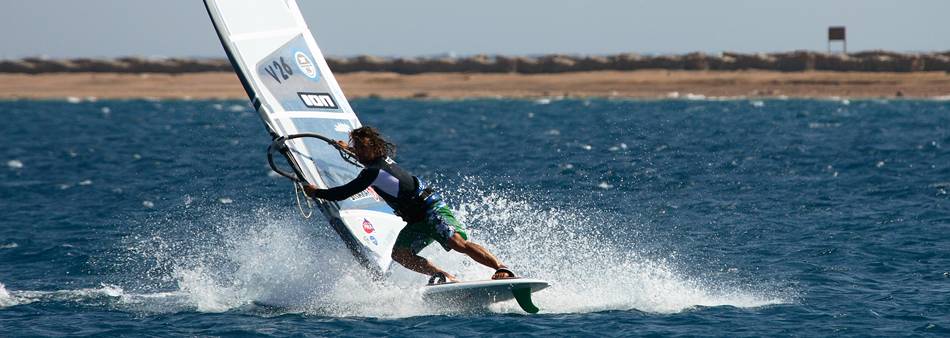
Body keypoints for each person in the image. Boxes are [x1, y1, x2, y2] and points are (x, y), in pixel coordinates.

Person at [303, 126, 514, 283]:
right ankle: (445, 276)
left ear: (374, 148)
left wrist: (316, 192)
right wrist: (347, 148)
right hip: (416, 221)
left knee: (457, 242)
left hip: (431, 210)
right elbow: (367, 160)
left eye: (361, 148)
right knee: (400, 254)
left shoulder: (372, 172)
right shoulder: (381, 160)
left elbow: (342, 193)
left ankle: (502, 269)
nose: (358, 151)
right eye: (357, 147)